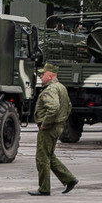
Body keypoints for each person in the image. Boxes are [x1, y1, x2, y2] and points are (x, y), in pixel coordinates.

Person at [29, 63, 78, 196]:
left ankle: (44, 188)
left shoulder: (50, 89)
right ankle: (69, 179)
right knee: (49, 155)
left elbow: (54, 107)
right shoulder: (61, 87)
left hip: (49, 128)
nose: (41, 76)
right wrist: (61, 121)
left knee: (42, 157)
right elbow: (68, 106)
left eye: (43, 74)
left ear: (50, 76)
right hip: (57, 126)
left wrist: (46, 123)